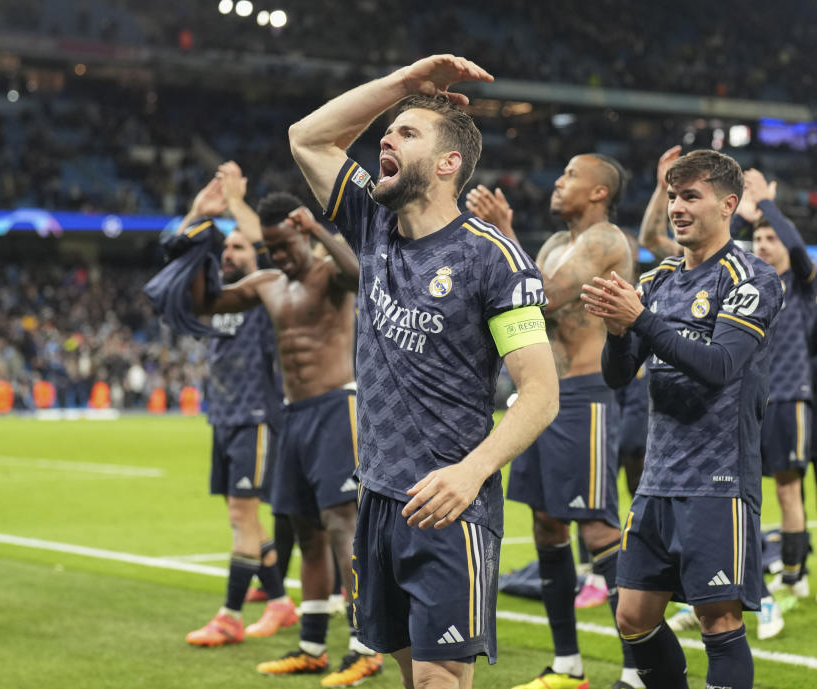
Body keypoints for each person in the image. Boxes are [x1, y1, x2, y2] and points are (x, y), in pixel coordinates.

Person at [289, 54, 559, 689]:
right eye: (389, 131)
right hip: (379, 499)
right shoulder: (371, 223)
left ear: (449, 165)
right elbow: (307, 137)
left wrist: (472, 473)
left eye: (407, 133)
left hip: (449, 506)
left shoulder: (494, 258)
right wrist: (402, 86)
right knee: (414, 681)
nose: (386, 136)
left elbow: (540, 393)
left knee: (441, 682)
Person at [581, 149, 783, 689]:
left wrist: (640, 319)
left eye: (691, 196)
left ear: (729, 205)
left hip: (718, 481)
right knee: (632, 617)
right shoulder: (659, 279)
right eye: (673, 195)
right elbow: (620, 376)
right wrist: (618, 329)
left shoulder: (751, 278)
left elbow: (719, 367)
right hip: (657, 480)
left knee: (719, 620)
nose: (677, 207)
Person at [188, 178, 383, 687]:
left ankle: (365, 645)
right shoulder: (267, 284)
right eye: (270, 248)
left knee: (343, 525)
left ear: (304, 235)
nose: (278, 255)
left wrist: (319, 226)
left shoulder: (328, 275)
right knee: (305, 532)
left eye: (284, 245)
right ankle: (312, 646)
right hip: (292, 416)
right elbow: (206, 303)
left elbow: (363, 275)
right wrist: (195, 227)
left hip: (337, 406)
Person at [474, 155, 640, 689]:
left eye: (571, 176)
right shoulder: (549, 244)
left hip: (586, 396)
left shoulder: (606, 241)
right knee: (547, 525)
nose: (558, 182)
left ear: (598, 192)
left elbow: (540, 294)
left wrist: (504, 232)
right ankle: (568, 664)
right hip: (541, 395)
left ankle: (638, 668)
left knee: (596, 526)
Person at [177, 166, 297, 648]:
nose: (229, 253)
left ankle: (229, 614)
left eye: (238, 247)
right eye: (225, 248)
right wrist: (200, 213)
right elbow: (182, 259)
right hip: (223, 419)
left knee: (241, 518)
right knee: (242, 516)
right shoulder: (220, 300)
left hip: (255, 419)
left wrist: (236, 203)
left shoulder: (265, 294)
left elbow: (264, 242)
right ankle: (279, 602)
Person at [745, 170, 814, 603]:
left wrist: (768, 205)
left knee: (788, 488)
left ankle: (793, 576)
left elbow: (800, 251)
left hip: (790, 398)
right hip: (755, 404)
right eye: (757, 239)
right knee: (757, 490)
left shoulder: (802, 286)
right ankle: (787, 566)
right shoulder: (753, 289)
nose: (763, 246)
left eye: (771, 239)